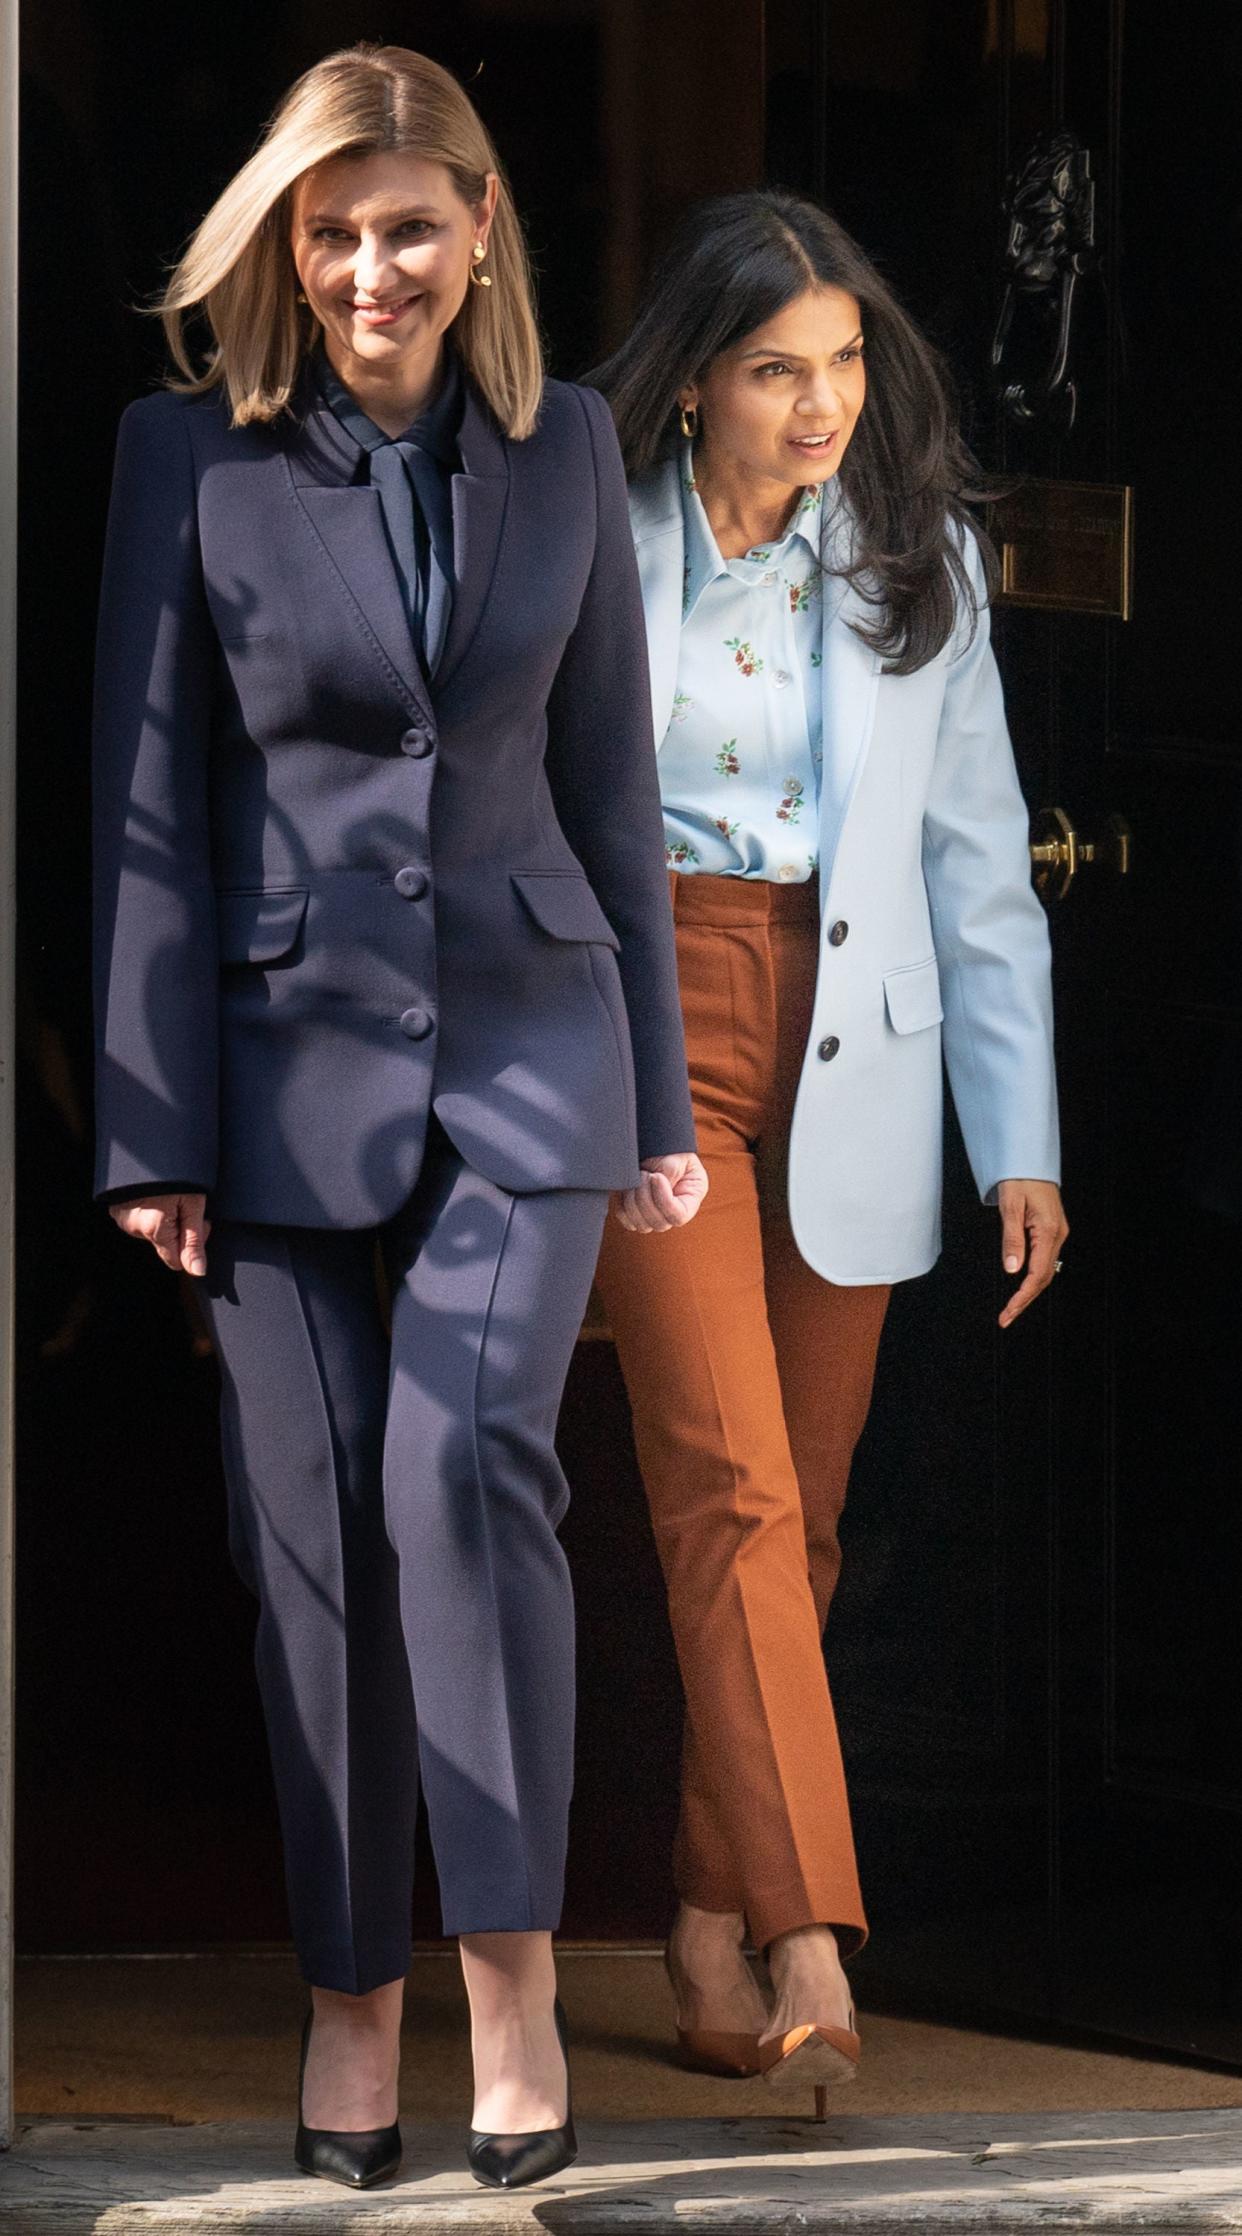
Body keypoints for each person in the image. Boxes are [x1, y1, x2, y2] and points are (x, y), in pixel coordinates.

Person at [93, 43, 705, 2191]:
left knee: (463, 1463)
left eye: (409, 223)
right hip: (267, 1067)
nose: (373, 267)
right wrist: (146, 1122)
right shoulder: (188, 460)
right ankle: (356, 1991)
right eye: (333, 230)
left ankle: (513, 1971)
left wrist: (652, 1092)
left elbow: (614, 778)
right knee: (314, 1548)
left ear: (478, 229)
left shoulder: (575, 452)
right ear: (288, 243)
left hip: (537, 1043)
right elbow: (149, 805)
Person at [590, 190, 1068, 2114]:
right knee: (728, 1489)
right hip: (651, 1036)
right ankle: (805, 1931)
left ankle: (707, 1915)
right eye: (777, 368)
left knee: (803, 1502)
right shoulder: (584, 528)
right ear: (694, 376)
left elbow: (979, 864)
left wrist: (1018, 1140)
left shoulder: (913, 552)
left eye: (846, 363)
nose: (821, 404)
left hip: (859, 1048)